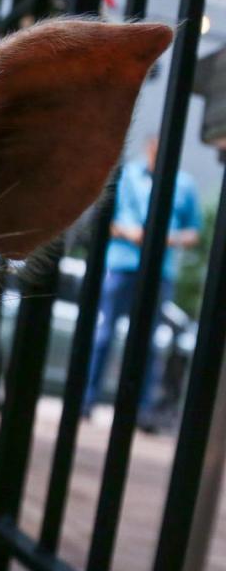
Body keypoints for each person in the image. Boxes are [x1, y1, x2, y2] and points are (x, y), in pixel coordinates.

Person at [81, 136, 201, 426]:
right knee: (103, 333)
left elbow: (193, 232)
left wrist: (169, 238)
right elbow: (101, 219)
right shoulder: (126, 176)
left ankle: (141, 410)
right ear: (149, 148)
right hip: (122, 263)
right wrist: (126, 232)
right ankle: (86, 400)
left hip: (160, 270)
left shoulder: (184, 185)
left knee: (149, 340)